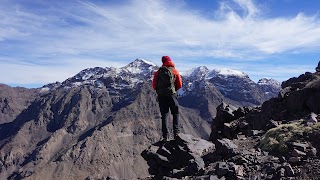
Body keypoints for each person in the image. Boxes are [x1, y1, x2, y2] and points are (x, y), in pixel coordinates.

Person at [152, 56, 182, 141]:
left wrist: (160, 90)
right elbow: (180, 84)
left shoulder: (158, 72)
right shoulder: (174, 71)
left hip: (161, 96)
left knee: (164, 115)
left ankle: (165, 136)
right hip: (172, 95)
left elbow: (154, 86)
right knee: (175, 113)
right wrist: (173, 90)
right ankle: (176, 133)